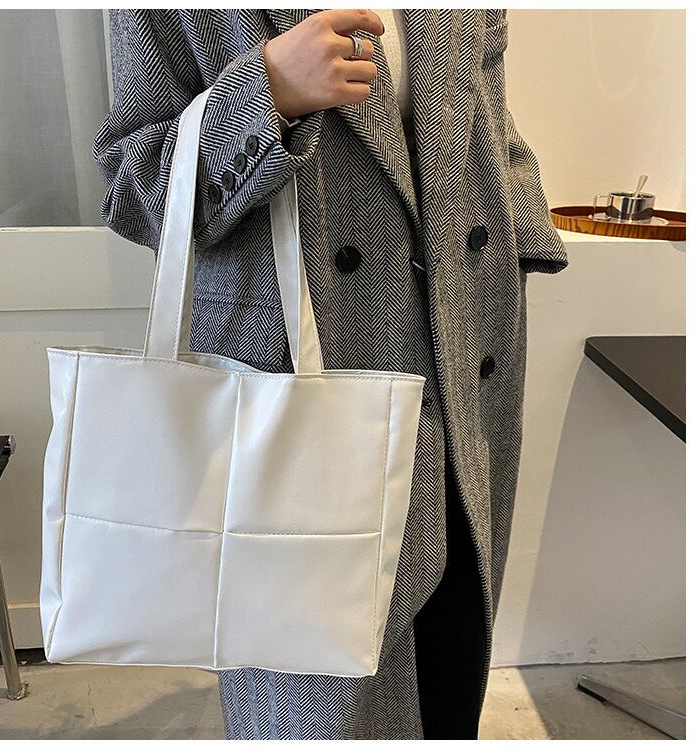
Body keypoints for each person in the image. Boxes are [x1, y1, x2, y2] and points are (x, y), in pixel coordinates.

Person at [93, 9, 569, 740]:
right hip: (300, 386)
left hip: (469, 359)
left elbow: (487, 114)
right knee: (323, 705)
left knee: (451, 668)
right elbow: (136, 190)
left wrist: (524, 239)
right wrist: (266, 94)